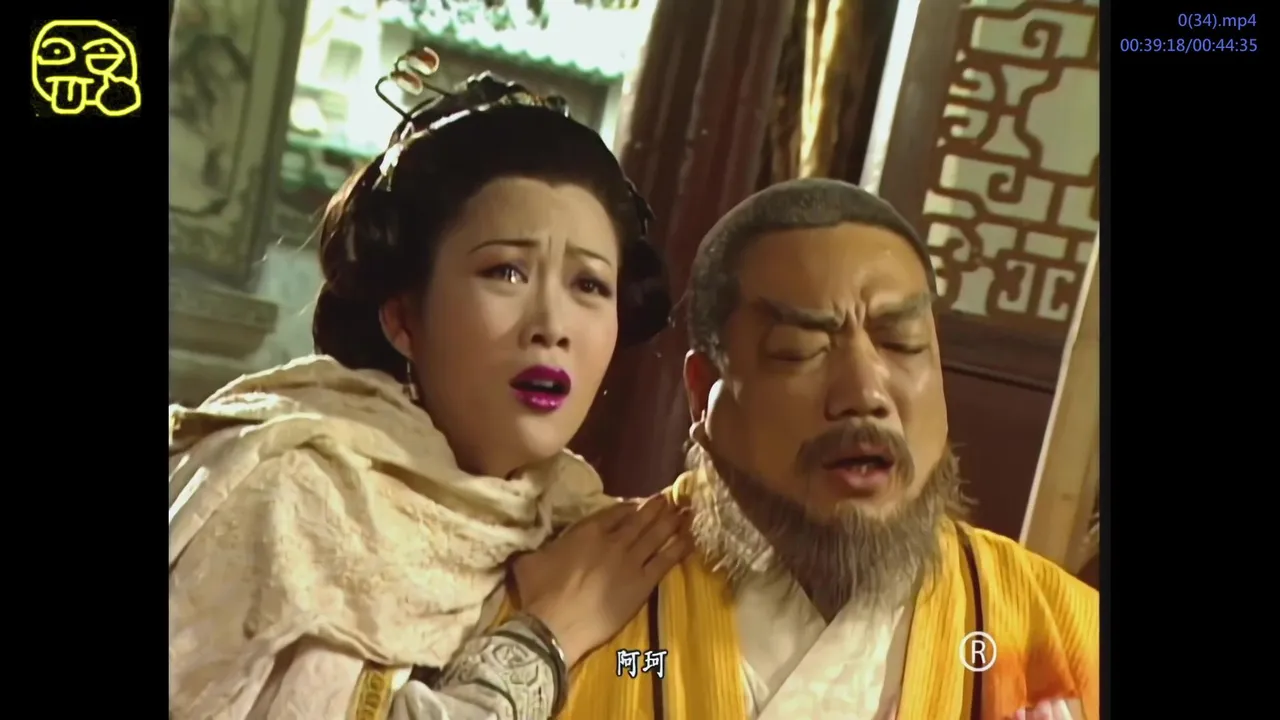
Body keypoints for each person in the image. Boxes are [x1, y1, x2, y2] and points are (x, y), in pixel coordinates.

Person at [168, 49, 690, 720]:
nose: (552, 326)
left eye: (589, 284)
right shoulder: (288, 498)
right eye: (505, 272)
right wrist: (543, 640)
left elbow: (651, 669)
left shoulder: (581, 526)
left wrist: (649, 654)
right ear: (404, 317)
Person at [503, 178, 1095, 720]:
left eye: (902, 343)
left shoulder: (1063, 633)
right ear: (702, 394)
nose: (866, 394)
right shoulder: (575, 601)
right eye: (797, 351)